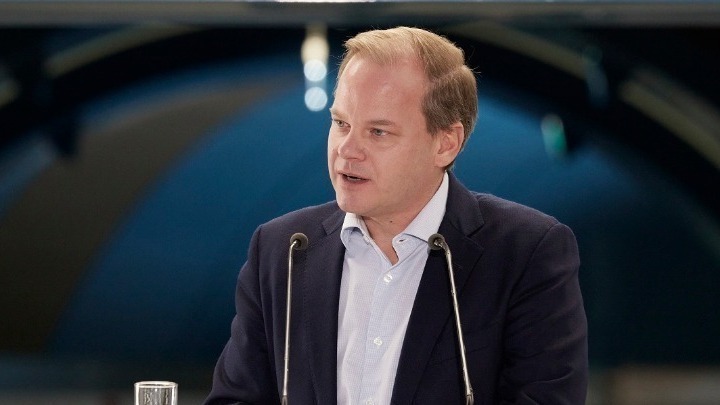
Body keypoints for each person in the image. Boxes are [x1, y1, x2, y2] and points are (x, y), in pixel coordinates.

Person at [205, 26, 588, 404]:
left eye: (378, 132)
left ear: (446, 143)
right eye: (341, 124)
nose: (347, 149)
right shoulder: (282, 250)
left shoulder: (525, 252)